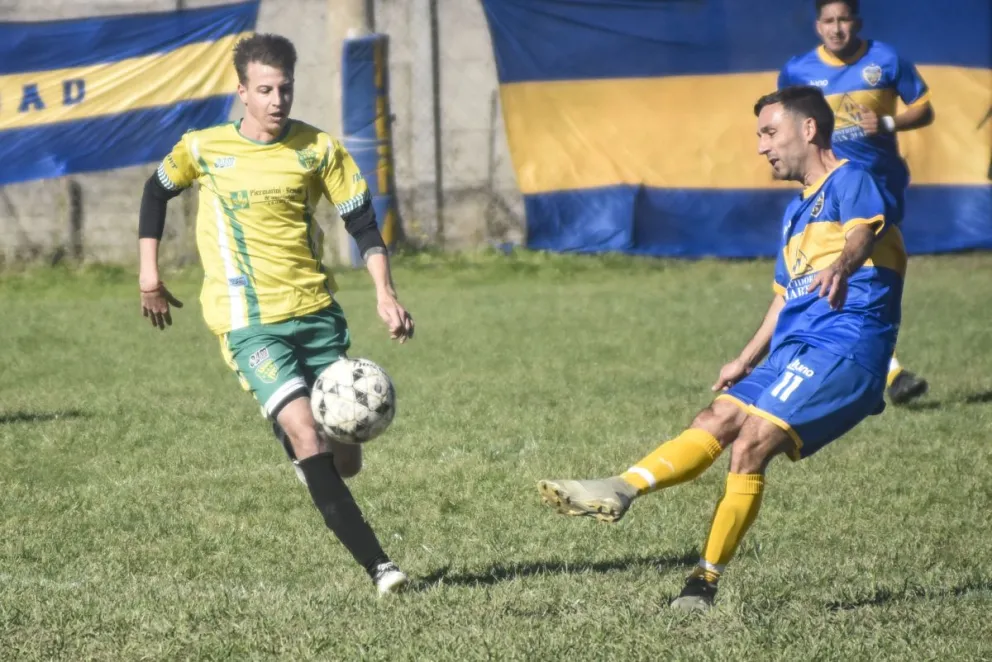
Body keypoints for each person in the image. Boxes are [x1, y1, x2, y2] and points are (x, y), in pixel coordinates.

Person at [536, 86, 907, 611]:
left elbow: (861, 236)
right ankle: (621, 487)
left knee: (752, 441)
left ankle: (702, 585)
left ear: (808, 129)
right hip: (794, 350)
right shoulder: (795, 214)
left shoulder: (852, 180)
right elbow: (784, 298)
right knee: (717, 417)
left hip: (846, 347)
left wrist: (842, 267)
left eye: (770, 133)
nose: (761, 147)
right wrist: (745, 358)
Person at [137, 33, 414, 596]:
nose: (276, 99)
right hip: (247, 321)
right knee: (306, 433)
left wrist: (385, 294)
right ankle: (381, 567)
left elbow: (362, 224)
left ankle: (300, 444)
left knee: (346, 460)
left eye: (284, 88)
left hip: (316, 314)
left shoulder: (318, 149)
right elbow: (155, 192)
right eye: (264, 90)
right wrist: (149, 274)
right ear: (242, 91)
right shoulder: (203, 148)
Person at [779, 0, 934, 405]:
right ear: (818, 26)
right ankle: (887, 371)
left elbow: (923, 108)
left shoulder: (886, 60)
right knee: (853, 275)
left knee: (877, 277)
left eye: (844, 19)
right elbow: (783, 121)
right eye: (828, 21)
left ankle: (868, 368)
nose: (837, 28)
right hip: (831, 193)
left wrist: (886, 122)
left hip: (881, 188)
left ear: (857, 22)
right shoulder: (798, 70)